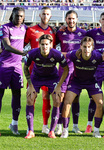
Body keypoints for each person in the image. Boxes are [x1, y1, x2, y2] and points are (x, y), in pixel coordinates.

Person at [24, 34, 69, 139]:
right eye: (42, 44)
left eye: (47, 44)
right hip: (36, 77)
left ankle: (52, 131)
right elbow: (25, 68)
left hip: (52, 78)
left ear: (51, 45)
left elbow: (66, 69)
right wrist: (30, 85)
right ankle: (30, 130)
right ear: (39, 45)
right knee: (30, 99)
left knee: (57, 99)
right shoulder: (32, 53)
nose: (45, 47)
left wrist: (59, 86)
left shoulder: (57, 54)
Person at [61, 36, 104, 138]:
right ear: (80, 47)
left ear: (92, 47)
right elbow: (63, 55)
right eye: (84, 47)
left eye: (89, 47)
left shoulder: (97, 56)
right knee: (67, 102)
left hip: (91, 81)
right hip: (76, 81)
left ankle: (96, 131)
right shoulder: (74, 54)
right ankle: (65, 130)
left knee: (100, 103)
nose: (86, 49)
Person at [24, 6, 56, 134]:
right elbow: (22, 44)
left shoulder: (53, 31)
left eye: (47, 14)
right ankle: (29, 127)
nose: (45, 16)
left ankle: (45, 125)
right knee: (31, 97)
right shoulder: (31, 30)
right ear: (39, 15)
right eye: (43, 14)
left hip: (49, 71)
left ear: (50, 16)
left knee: (46, 97)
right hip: (33, 71)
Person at [55, 10, 87, 135]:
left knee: (75, 99)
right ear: (66, 19)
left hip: (78, 70)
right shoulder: (60, 33)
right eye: (69, 18)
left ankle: (75, 126)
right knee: (60, 98)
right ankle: (58, 125)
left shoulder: (83, 33)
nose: (71, 21)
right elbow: (53, 47)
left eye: (73, 18)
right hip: (63, 70)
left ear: (77, 19)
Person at [0, 7, 26, 136]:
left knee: (17, 95)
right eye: (17, 16)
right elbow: (6, 46)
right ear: (12, 15)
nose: (19, 18)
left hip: (17, 67)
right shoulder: (5, 28)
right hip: (4, 66)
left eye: (21, 16)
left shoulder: (24, 28)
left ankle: (14, 124)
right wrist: (23, 53)